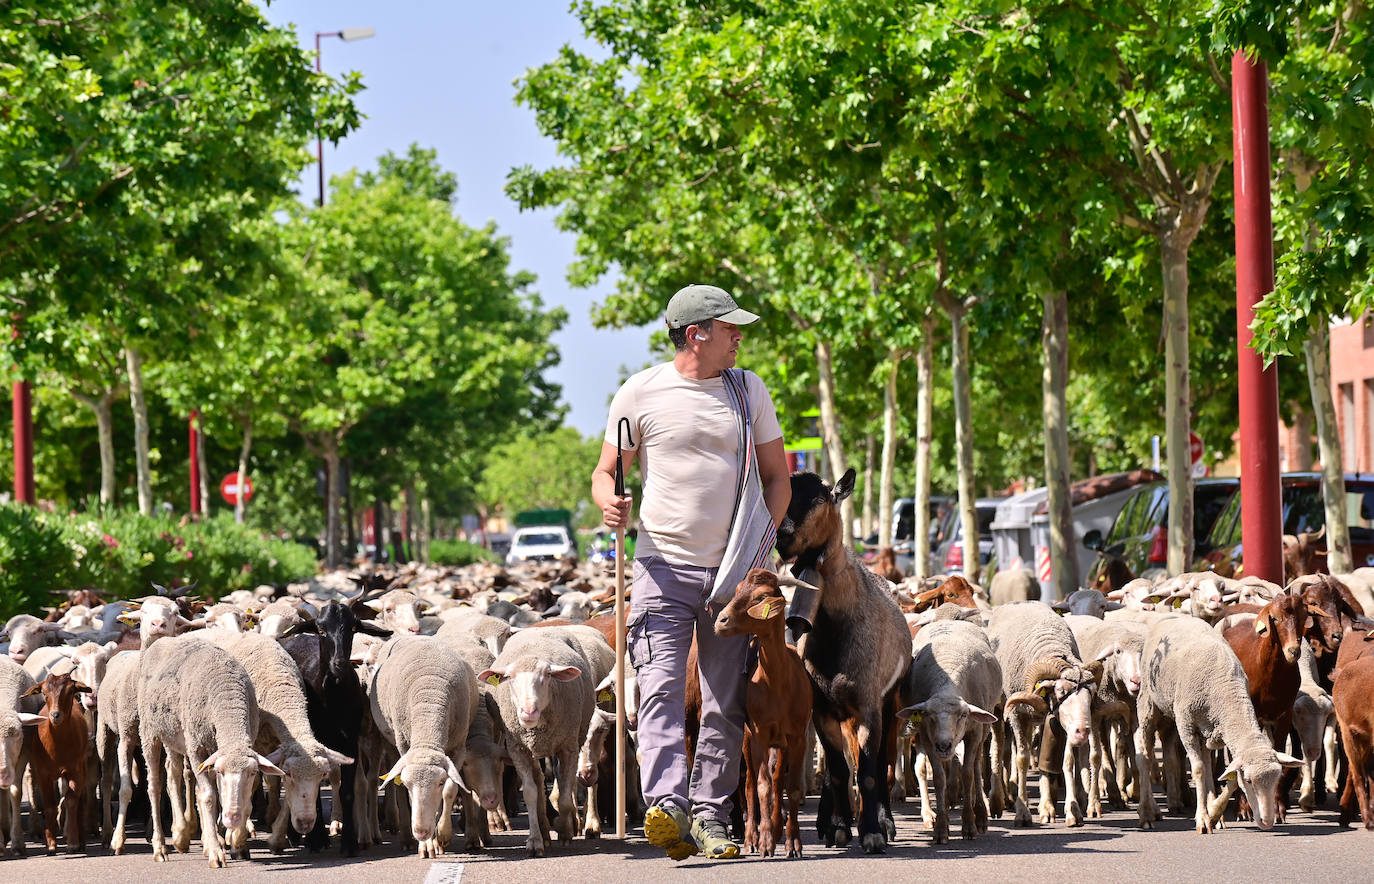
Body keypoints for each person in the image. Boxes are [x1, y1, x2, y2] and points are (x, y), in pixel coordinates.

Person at [591, 284, 790, 861]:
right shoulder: (639, 393)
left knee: (725, 699)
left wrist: (762, 543)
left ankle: (711, 817)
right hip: (659, 564)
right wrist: (610, 503)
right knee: (657, 689)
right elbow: (607, 473)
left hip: (734, 573)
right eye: (730, 328)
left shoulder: (748, 390)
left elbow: (778, 477)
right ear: (696, 333)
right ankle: (668, 807)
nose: (740, 337)